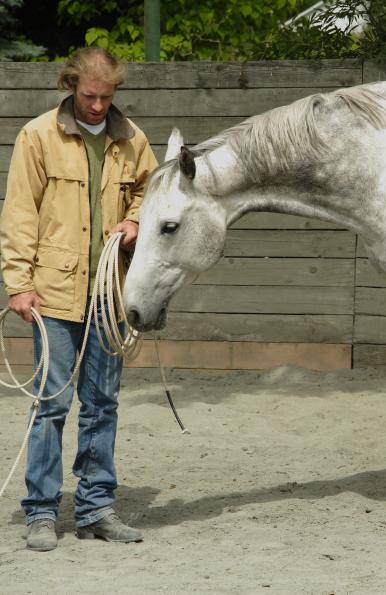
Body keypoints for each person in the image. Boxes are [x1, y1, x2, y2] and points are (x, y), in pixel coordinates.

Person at [0, 47, 157, 551]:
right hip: (53, 293)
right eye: (89, 96)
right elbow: (21, 211)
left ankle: (95, 508)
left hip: (109, 295)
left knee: (103, 404)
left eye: (105, 97)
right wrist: (18, 283)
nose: (96, 105)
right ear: (71, 86)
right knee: (51, 405)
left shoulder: (133, 140)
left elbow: (152, 193)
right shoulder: (38, 135)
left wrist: (135, 220)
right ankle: (42, 512)